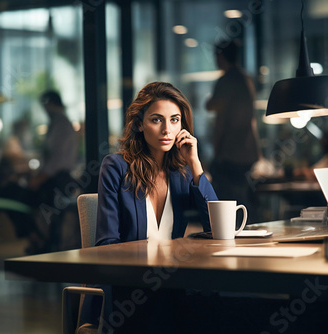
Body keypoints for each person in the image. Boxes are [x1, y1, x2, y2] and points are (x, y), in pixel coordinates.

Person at [82, 81, 218, 333]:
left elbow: (217, 228)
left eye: (175, 120)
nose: (167, 129)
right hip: (126, 291)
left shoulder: (182, 173)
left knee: (221, 306)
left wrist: (195, 164)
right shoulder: (115, 167)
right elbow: (106, 246)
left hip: (170, 286)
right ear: (139, 123)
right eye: (157, 120)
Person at [205, 39, 260, 223]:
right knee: (243, 199)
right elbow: (252, 120)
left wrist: (217, 150)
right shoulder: (247, 80)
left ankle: (232, 236)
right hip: (247, 152)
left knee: (226, 201)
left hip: (230, 153)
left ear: (220, 56)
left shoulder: (226, 81)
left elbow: (219, 116)